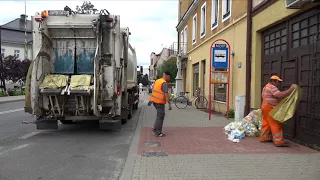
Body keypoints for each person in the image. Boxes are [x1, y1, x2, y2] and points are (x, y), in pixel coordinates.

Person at [260, 75, 295, 147]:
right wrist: (290, 90)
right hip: (270, 108)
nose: (278, 83)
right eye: (277, 82)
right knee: (275, 123)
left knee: (266, 122)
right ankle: (279, 141)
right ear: (273, 81)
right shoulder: (272, 87)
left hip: (265, 107)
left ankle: (264, 137)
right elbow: (279, 95)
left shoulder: (266, 87)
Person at [149, 71, 171, 137]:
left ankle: (155, 128)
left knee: (159, 115)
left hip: (154, 101)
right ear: (166, 75)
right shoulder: (164, 83)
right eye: (169, 77)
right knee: (161, 116)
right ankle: (158, 132)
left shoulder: (158, 81)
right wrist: (169, 104)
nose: (169, 78)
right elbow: (166, 94)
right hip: (159, 102)